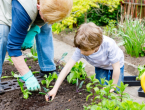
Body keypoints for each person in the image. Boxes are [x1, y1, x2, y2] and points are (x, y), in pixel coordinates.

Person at [0, 0, 73, 94]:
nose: (47, 21)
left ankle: (48, 69)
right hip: (5, 4)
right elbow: (13, 47)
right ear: (39, 7)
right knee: (2, 34)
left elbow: (45, 18)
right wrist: (28, 76)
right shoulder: (23, 9)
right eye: (46, 18)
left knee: (46, 26)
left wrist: (35, 29)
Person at [45, 22, 124, 101]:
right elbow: (67, 68)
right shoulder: (81, 48)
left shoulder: (109, 45)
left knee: (117, 89)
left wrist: (113, 86)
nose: (82, 52)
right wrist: (54, 89)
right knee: (101, 89)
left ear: (97, 46)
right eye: (80, 49)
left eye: (85, 50)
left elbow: (116, 68)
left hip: (116, 65)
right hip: (100, 66)